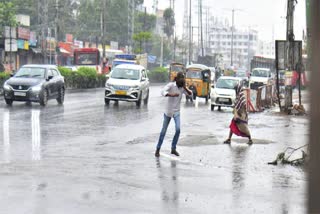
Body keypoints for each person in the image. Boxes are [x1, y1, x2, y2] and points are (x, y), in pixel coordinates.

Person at [155, 72, 192, 157]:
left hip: (176, 112)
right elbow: (162, 91)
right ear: (177, 79)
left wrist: (185, 88)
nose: (182, 81)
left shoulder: (182, 87)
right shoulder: (171, 85)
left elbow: (190, 94)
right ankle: (158, 149)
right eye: (181, 79)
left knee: (178, 129)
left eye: (183, 80)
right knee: (163, 131)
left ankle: (173, 148)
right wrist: (171, 95)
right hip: (168, 111)